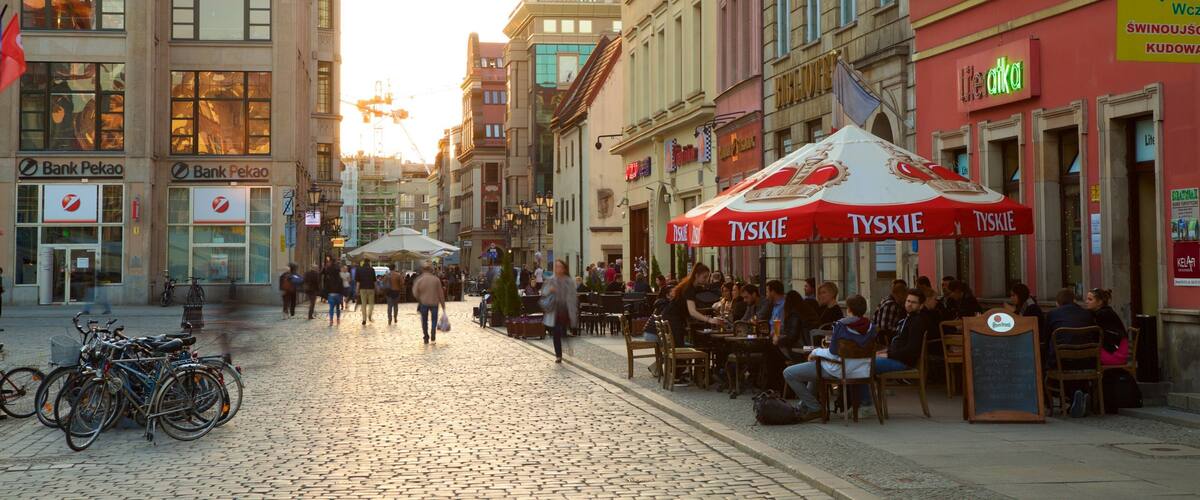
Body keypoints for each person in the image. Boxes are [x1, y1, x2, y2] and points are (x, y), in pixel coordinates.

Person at [781, 294, 876, 422]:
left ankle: (815, 408)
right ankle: (804, 406)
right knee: (815, 373)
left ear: (848, 309)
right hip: (862, 370)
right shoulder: (871, 327)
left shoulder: (841, 325)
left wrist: (816, 352)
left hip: (839, 369)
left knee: (789, 373)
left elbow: (833, 352)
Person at [664, 263, 724, 351]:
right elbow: (692, 312)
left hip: (670, 317)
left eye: (708, 277)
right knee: (679, 347)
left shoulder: (689, 286)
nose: (707, 279)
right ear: (696, 275)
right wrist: (710, 320)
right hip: (674, 320)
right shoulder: (689, 289)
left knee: (679, 346)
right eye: (704, 277)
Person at [541, 259, 579, 362]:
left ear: (564, 268)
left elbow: (573, 296)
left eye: (560, 267)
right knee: (556, 332)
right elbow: (544, 292)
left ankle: (567, 345)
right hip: (555, 309)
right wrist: (550, 290)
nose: (558, 269)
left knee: (563, 331)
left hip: (565, 309)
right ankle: (558, 355)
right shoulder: (551, 279)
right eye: (556, 267)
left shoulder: (569, 281)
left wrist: (573, 310)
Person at [1086, 288, 1129, 366]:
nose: (1086, 302)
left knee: (1085, 356)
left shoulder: (1103, 314)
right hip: (1116, 350)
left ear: (1099, 302)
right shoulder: (1103, 312)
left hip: (1116, 353)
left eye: (1090, 299)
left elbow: (1095, 335)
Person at [412, 263, 447, 344]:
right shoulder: (436, 279)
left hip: (423, 303)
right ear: (431, 270)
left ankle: (426, 336)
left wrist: (419, 298)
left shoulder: (420, 279)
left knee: (424, 320)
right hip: (434, 303)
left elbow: (415, 292)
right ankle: (433, 333)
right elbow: (440, 293)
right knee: (434, 320)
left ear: (423, 270)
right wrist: (443, 305)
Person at [355, 260, 377, 325]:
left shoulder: (359, 270)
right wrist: (377, 288)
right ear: (369, 263)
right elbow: (374, 280)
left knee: (363, 304)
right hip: (371, 288)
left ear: (363, 263)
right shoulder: (372, 270)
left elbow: (358, 281)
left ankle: (364, 319)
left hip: (362, 289)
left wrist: (357, 289)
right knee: (371, 304)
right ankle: (369, 316)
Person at [323, 261, 343, 326]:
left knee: (331, 308)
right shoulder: (340, 279)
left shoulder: (329, 279)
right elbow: (341, 288)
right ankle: (338, 319)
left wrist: (325, 296)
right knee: (338, 308)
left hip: (331, 295)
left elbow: (326, 288)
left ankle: (331, 320)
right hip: (338, 295)